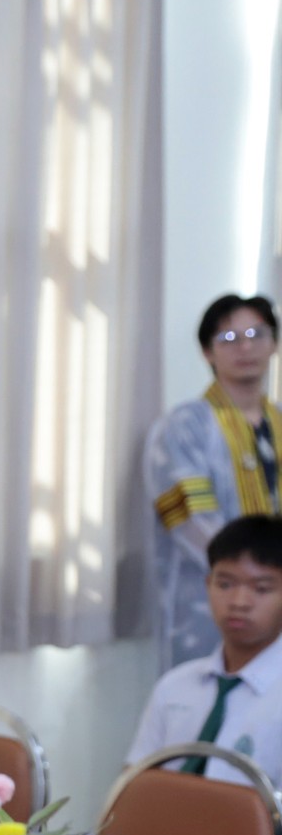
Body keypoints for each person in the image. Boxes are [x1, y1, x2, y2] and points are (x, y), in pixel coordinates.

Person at [146, 294, 282, 670]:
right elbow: (191, 521)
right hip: (209, 608)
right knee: (205, 695)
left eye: (256, 334)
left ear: (274, 344)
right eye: (229, 338)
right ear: (208, 352)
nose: (245, 347)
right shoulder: (184, 427)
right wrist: (256, 578)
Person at [128, 515, 282, 783]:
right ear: (208, 585)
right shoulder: (174, 686)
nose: (239, 602)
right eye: (225, 584)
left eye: (261, 589)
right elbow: (135, 785)